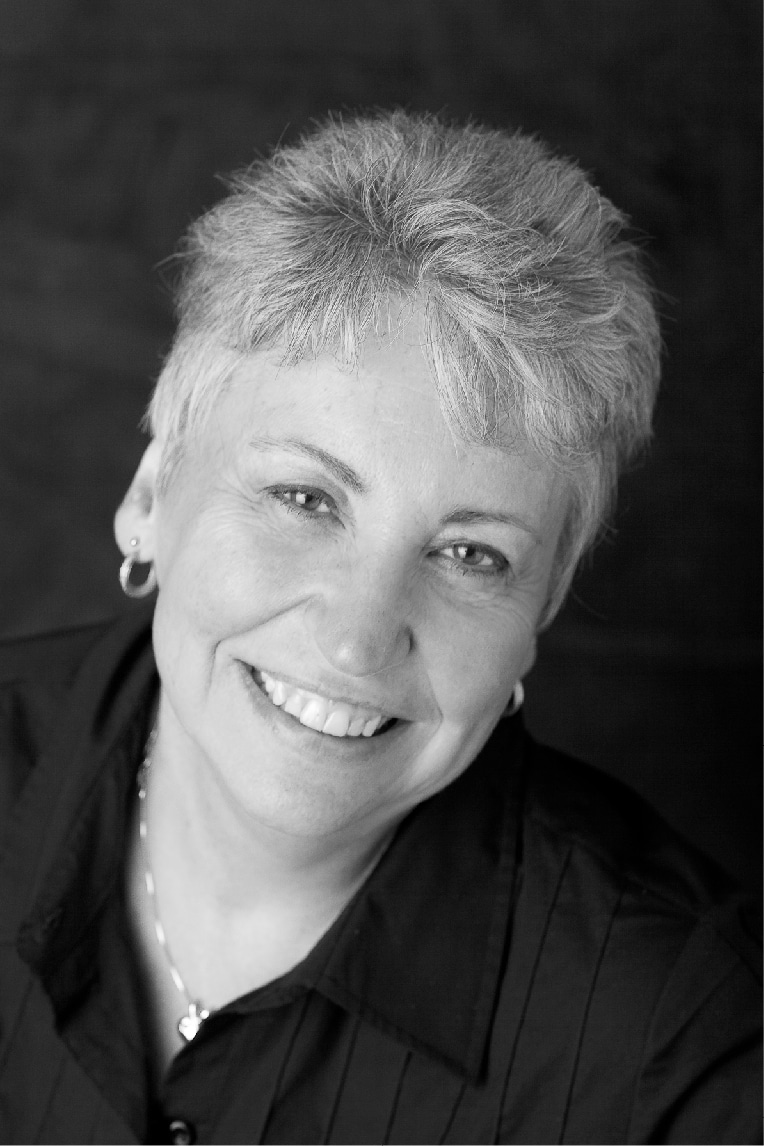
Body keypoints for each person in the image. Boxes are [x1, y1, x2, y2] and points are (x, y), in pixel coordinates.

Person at [0, 109, 759, 1146]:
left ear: (537, 613)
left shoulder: (680, 1047)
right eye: (305, 499)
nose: (359, 641)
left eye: (470, 555)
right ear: (150, 494)